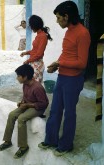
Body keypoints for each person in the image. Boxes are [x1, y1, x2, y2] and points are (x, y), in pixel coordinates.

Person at [38, 1, 91, 156]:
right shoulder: (69, 30)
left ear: (66, 16)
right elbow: (66, 52)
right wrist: (56, 64)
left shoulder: (83, 33)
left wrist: (61, 62)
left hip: (73, 80)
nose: (57, 21)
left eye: (59, 17)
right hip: (62, 77)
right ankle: (51, 140)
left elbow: (82, 63)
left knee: (69, 113)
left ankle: (66, 145)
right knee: (55, 110)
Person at [0, 64, 49, 159]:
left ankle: (24, 146)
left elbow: (44, 104)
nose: (17, 78)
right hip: (28, 105)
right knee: (12, 115)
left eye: (18, 76)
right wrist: (22, 102)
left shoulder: (37, 87)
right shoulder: (25, 84)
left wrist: (28, 105)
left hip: (38, 108)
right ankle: (7, 141)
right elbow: (26, 96)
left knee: (21, 118)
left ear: (25, 77)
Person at [20, 15, 52, 83]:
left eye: (31, 26)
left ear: (34, 25)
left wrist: (28, 61)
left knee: (35, 86)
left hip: (37, 64)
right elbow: (35, 50)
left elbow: (39, 54)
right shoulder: (39, 35)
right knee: (31, 86)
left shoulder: (42, 36)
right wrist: (26, 53)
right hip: (34, 63)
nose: (31, 28)